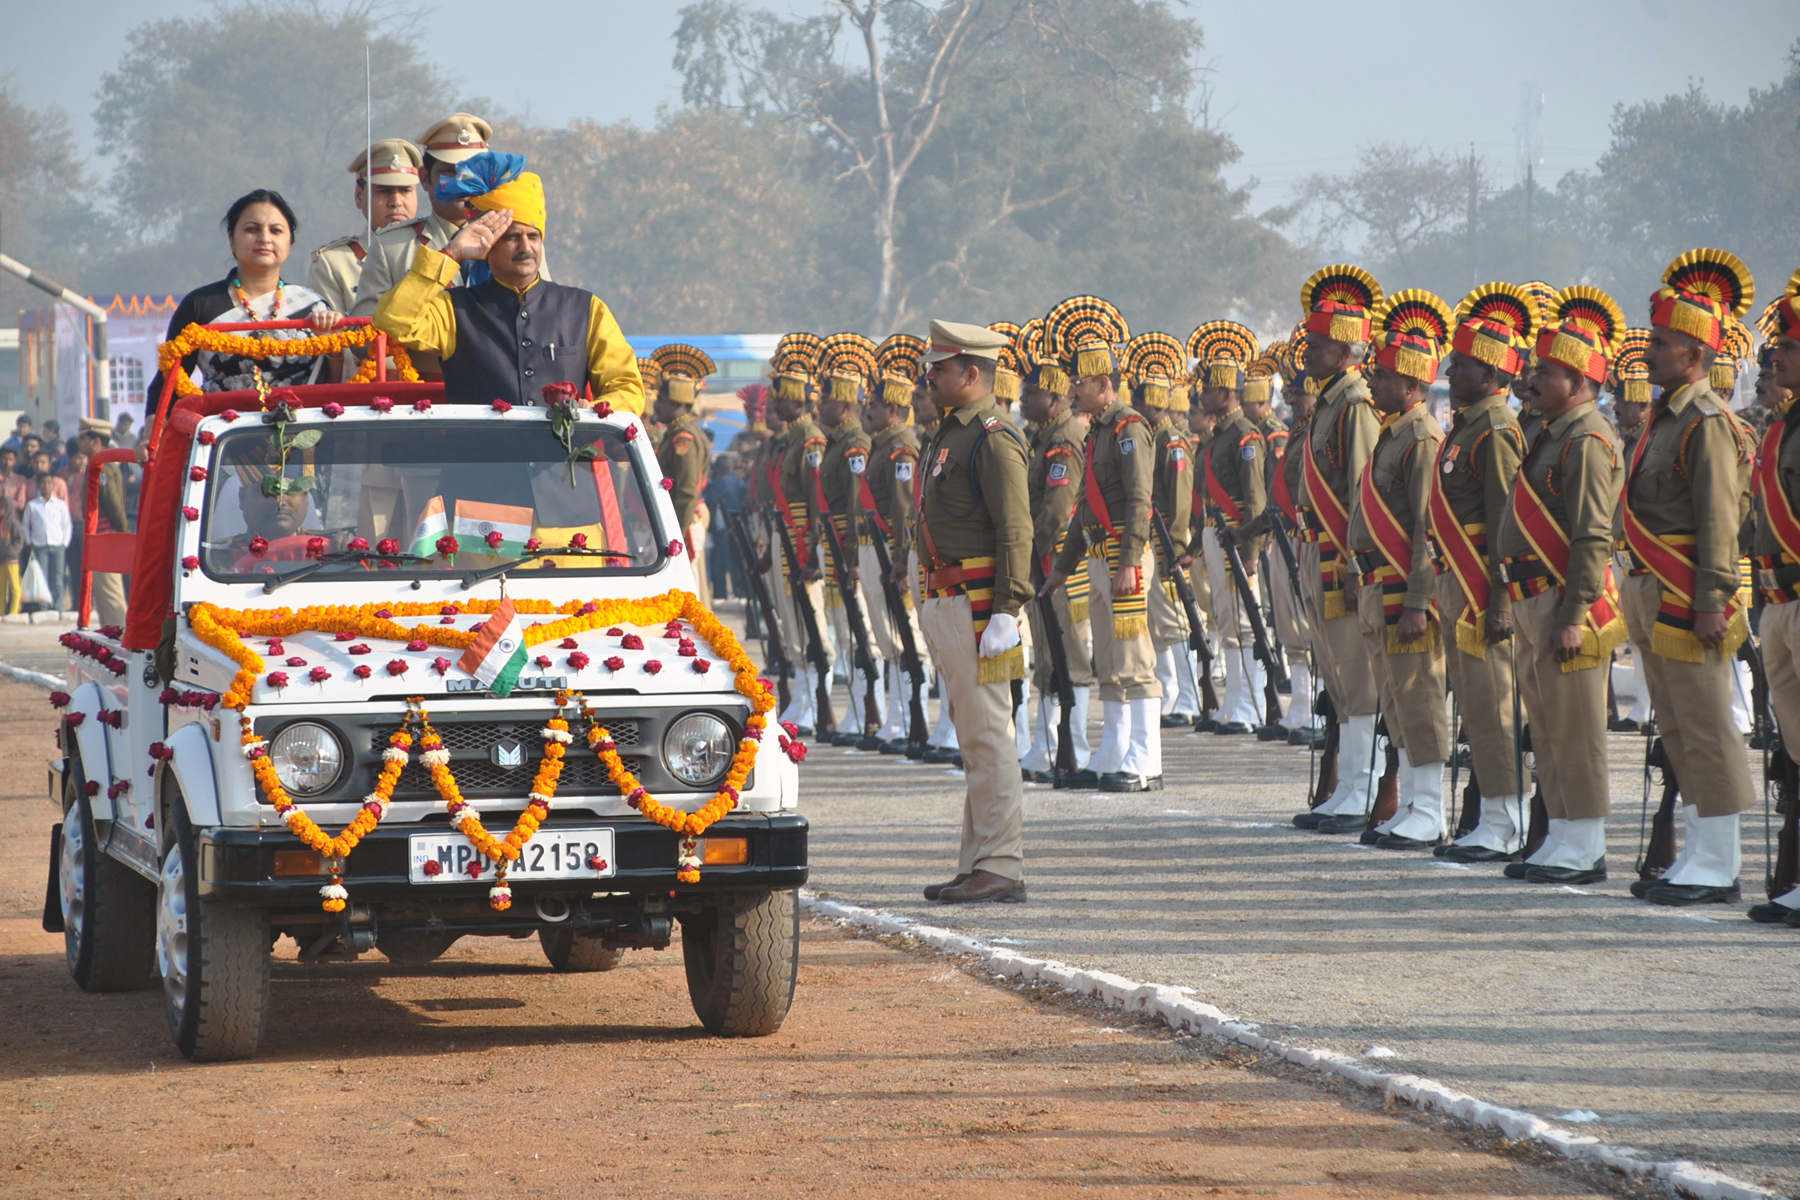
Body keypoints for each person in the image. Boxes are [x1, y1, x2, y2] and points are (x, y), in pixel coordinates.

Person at [1620, 251, 1759, 905]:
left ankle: (1719, 860)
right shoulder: (1664, 418)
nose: (1649, 351)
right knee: (1674, 725)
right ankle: (1699, 852)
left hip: (1687, 593)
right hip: (1653, 588)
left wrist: (1710, 600)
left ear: (1696, 354)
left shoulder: (1705, 423)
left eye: (1663, 343)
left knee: (1706, 725)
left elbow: (1716, 519)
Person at [1493, 286, 1630, 884]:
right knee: (1545, 726)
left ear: (1578, 382)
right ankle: (1562, 836)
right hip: (1531, 597)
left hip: (1563, 601)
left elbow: (1591, 536)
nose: (1531, 380)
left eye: (1544, 373)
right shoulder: (1551, 432)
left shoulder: (1588, 440)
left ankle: (1586, 843)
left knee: (1575, 729)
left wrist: (1574, 613)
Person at [910, 320, 1032, 904]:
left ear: (973, 373)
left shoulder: (991, 435)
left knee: (989, 739)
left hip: (983, 606)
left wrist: (1008, 609)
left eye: (941, 367)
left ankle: (1001, 865)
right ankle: (977, 860)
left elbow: (1015, 527)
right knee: (974, 739)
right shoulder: (950, 432)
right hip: (951, 599)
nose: (929, 375)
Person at [373, 152, 643, 412]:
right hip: (481, 459)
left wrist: (593, 411)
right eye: (512, 237)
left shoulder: (585, 309)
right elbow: (393, 319)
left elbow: (627, 387)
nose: (526, 247)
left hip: (563, 459)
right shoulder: (455, 311)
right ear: (486, 246)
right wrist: (451, 254)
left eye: (533, 236)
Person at [1041, 295, 1163, 792]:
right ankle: (1114, 748)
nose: (1072, 391)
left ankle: (1146, 756)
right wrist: (1061, 570)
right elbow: (1083, 514)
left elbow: (1139, 501)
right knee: (1109, 662)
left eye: (1080, 383)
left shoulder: (1129, 427)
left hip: (1122, 555)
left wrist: (1130, 560)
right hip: (1095, 555)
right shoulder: (1097, 434)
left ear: (1103, 384)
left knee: (1134, 658)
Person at [1428, 283, 1533, 861]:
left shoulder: (1495, 430)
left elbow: (1503, 524)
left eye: (1463, 363)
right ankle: (1491, 814)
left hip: (1481, 588)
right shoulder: (1468, 424)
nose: (1450, 369)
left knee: (1495, 708)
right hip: (1456, 583)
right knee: (1474, 708)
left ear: (1492, 373)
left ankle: (1507, 819)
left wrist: (1499, 600)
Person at [1347, 290, 1454, 849]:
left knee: (1419, 697)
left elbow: (1426, 529)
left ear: (1412, 384)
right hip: (1375, 585)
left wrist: (1418, 600)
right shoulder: (1393, 433)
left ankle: (1430, 807)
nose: (1372, 382)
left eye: (1383, 376)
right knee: (1395, 700)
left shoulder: (1421, 438)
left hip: (1403, 590)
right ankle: (1412, 800)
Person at [1291, 265, 1387, 833]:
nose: (1309, 351)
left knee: (1356, 675)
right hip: (1314, 549)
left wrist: (1356, 562)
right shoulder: (1329, 402)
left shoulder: (1354, 405)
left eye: (1320, 344)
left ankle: (1364, 788)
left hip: (1339, 556)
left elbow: (1359, 490)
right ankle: (1348, 786)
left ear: (1347, 350)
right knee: (1335, 674)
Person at [149, 190, 343, 414]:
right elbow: (169, 379)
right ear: (232, 240)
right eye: (252, 229)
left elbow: (335, 385)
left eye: (276, 230)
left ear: (290, 243)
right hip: (223, 436)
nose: (265, 238)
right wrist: (153, 429)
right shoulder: (200, 305)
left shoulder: (312, 306)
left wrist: (333, 346)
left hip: (305, 436)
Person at [351, 113, 508, 365]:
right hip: (423, 396)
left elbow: (541, 312)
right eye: (448, 172)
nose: (462, 182)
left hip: (504, 392)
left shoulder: (515, 239)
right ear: (425, 178)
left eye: (472, 172)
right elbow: (360, 341)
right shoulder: (392, 245)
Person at [1016, 334, 1095, 782]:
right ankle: (1049, 746)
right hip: (1042, 556)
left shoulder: (1063, 437)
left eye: (1030, 393)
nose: (1023, 400)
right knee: (1048, 654)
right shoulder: (1044, 435)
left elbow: (1057, 507)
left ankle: (1074, 747)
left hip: (1055, 557)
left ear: (1053, 394)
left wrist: (1029, 548)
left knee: (1068, 654)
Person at [1190, 322, 1270, 737]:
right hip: (1214, 534)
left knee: (1243, 621)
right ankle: (1235, 700)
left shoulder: (1244, 436)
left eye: (1208, 389)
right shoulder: (1217, 436)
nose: (1201, 396)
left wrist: (1253, 549)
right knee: (1226, 621)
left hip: (1237, 537)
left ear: (1226, 392)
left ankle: (1253, 703)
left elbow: (1255, 499)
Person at [1750, 278, 1800, 924]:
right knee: (1795, 747)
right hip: (1778, 595)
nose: (1774, 358)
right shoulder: (1782, 426)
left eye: (1786, 346)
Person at [1124, 332, 1199, 729]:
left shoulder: (1171, 441)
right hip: (1154, 539)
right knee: (1160, 625)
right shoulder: (1153, 437)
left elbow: (1181, 497)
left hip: (1169, 540)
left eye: (1142, 402)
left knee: (1175, 622)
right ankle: (1172, 691)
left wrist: (1180, 543)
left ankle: (1187, 695)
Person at [811, 334, 883, 744]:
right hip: (836, 544)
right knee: (845, 625)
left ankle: (870, 713)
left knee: (861, 631)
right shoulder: (840, 443)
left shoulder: (855, 445)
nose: (820, 405)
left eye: (827, 399)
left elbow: (858, 507)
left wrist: (853, 556)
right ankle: (858, 714)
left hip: (848, 544)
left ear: (846, 403)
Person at [863, 334, 929, 753]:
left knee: (907, 638)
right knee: (888, 635)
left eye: (871, 407)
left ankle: (913, 717)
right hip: (877, 546)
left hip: (891, 547)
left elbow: (904, 510)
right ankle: (899, 717)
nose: (864, 413)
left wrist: (903, 558)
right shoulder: (881, 446)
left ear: (891, 409)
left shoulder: (900, 449)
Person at [768, 337, 832, 735]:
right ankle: (803, 695)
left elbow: (815, 502)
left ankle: (817, 695)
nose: (777, 407)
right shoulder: (791, 440)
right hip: (784, 537)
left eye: (784, 401)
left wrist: (810, 551)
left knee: (811, 622)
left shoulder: (811, 442)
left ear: (799, 402)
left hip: (801, 538)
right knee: (791, 623)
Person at [1268, 340, 1322, 745]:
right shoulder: (1297, 432)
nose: (1290, 398)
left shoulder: (1316, 432)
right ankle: (1301, 705)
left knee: (1310, 629)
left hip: (1307, 537)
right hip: (1286, 534)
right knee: (1290, 628)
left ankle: (1318, 709)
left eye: (1297, 391)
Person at [308, 138, 424, 317]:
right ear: (359, 196)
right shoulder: (334, 264)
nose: (396, 202)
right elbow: (331, 339)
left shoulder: (436, 251)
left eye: (405, 190)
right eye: (383, 191)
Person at [1608, 329, 1657, 734]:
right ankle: (1644, 708)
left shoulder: (1651, 441)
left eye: (1622, 401)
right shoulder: (1626, 442)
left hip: (1652, 556)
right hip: (1624, 551)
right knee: (1638, 640)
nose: (1615, 407)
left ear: (1642, 402)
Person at [650, 342, 716, 568]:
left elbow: (687, 492)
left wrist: (674, 534)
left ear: (677, 402)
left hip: (683, 527)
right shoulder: (677, 434)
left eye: (661, 400)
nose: (655, 405)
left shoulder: (683, 439)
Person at [22, 465, 71, 613]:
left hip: (58, 545)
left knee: (57, 577)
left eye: (49, 483)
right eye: (42, 483)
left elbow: (67, 524)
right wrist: (29, 541)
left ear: (53, 485)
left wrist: (65, 542)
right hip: (39, 545)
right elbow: (25, 524)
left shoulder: (60, 505)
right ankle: (43, 607)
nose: (46, 486)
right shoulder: (32, 505)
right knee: (41, 577)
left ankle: (57, 606)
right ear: (38, 485)